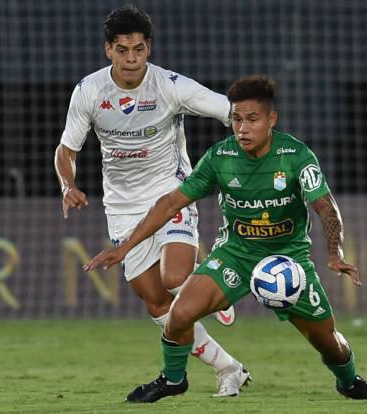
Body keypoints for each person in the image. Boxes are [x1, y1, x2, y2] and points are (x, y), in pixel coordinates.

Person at [85, 75, 367, 403]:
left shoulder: (296, 156)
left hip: (288, 261)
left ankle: (348, 381)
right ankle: (173, 379)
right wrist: (125, 247)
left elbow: (326, 208)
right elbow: (170, 203)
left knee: (327, 341)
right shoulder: (220, 158)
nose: (242, 128)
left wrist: (334, 252)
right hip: (235, 255)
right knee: (179, 315)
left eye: (252, 120)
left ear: (271, 119)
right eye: (236, 120)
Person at [54, 5, 249, 397]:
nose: (131, 59)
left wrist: (255, 149)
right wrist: (67, 185)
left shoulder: (170, 86)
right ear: (108, 49)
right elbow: (66, 150)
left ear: (149, 49)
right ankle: (229, 367)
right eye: (123, 50)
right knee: (157, 303)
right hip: (122, 207)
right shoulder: (90, 91)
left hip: (171, 189)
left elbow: (231, 112)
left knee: (175, 278)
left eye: (139, 50)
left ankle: (216, 289)